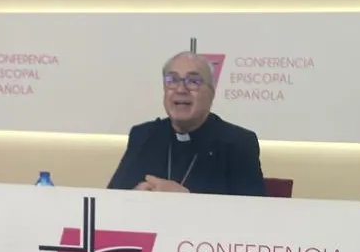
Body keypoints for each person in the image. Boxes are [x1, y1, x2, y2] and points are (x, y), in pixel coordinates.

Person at [108, 52, 266, 196]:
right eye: (172, 80)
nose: (181, 89)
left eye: (193, 81)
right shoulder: (144, 136)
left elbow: (252, 212)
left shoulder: (238, 143)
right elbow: (109, 200)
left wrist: (187, 199)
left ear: (211, 92)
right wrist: (133, 196)